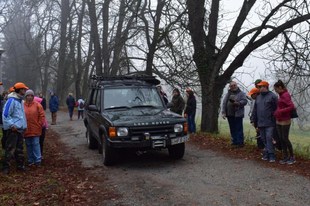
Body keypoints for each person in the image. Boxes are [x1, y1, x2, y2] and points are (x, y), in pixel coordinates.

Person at [2, 82, 29, 174]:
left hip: (19, 129)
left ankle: (20, 166)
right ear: (20, 90)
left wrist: (24, 126)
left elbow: (21, 116)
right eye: (24, 89)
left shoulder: (20, 100)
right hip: (13, 129)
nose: (25, 91)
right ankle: (6, 167)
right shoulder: (12, 100)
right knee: (10, 148)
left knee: (19, 148)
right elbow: (5, 115)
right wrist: (12, 125)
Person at [252, 80, 278, 163]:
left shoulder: (273, 96)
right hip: (260, 122)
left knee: (269, 138)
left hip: (270, 122)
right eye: (258, 87)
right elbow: (255, 110)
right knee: (263, 138)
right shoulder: (258, 97)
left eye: (260, 86)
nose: (259, 88)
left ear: (265, 87)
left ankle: (271, 154)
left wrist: (275, 120)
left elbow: (276, 109)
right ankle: (267, 152)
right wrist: (253, 120)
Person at [273, 80, 296, 164]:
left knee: (285, 139)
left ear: (280, 88)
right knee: (281, 139)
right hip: (279, 120)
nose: (275, 91)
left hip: (285, 120)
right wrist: (277, 112)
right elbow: (281, 106)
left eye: (276, 89)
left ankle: (292, 156)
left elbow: (291, 106)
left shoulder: (285, 95)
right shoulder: (281, 95)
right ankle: (285, 156)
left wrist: (281, 111)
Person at [222, 81, 248, 147]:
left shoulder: (241, 93)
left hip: (238, 114)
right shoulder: (228, 93)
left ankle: (240, 142)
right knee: (232, 128)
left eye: (234, 85)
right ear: (230, 87)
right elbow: (224, 103)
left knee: (239, 129)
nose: (233, 86)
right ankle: (235, 141)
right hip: (230, 114)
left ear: (236, 85)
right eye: (231, 86)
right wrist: (223, 112)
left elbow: (245, 101)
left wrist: (238, 103)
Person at [24, 90, 45, 167]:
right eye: (28, 96)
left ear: (33, 97)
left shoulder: (38, 105)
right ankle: (30, 159)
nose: (29, 97)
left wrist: (39, 124)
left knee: (36, 144)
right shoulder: (22, 105)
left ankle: (38, 160)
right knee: (28, 144)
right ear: (25, 97)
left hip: (36, 128)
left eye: (31, 96)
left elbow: (42, 116)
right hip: (26, 129)